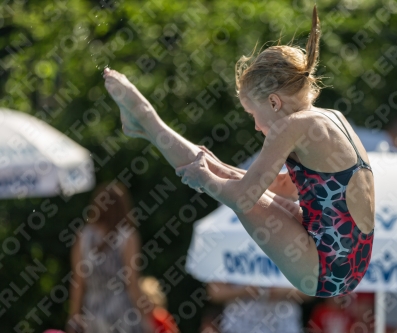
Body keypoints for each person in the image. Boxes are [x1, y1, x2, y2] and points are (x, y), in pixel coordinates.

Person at [102, 6, 375, 298]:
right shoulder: (331, 117)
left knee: (231, 191)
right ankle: (146, 126)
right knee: (219, 171)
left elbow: (243, 198)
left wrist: (204, 178)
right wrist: (217, 169)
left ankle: (145, 117)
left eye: (252, 113)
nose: (257, 126)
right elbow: (288, 186)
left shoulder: (292, 126)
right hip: (348, 264)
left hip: (324, 269)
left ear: (273, 102)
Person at [66, 182, 153, 333]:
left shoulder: (83, 237)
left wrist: (74, 315)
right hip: (122, 313)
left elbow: (78, 282)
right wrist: (146, 315)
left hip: (93, 313)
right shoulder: (127, 237)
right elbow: (132, 281)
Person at [206, 282, 307, 333]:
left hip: (283, 327)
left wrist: (284, 291)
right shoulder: (230, 244)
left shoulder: (292, 244)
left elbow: (310, 290)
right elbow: (214, 292)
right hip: (239, 327)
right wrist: (245, 290)